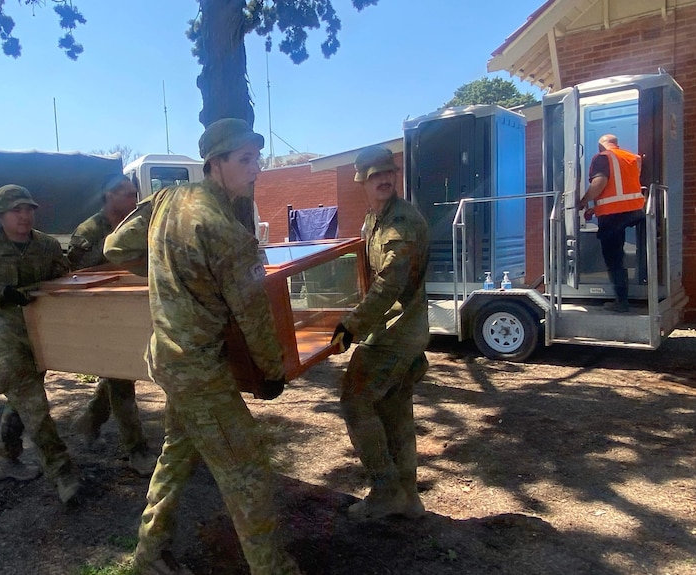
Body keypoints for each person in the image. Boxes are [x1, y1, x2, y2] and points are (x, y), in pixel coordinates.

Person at [118, 118, 301, 575]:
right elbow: (253, 315)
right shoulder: (226, 231)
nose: (256, 168)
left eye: (257, 158)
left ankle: (148, 553)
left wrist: (167, 272)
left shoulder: (166, 199)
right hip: (199, 370)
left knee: (176, 456)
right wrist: (272, 371)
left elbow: (116, 247)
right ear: (215, 163)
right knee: (248, 471)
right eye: (245, 159)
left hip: (167, 357)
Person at [0, 184, 82, 506]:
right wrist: (0, 295)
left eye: (28, 209)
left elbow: (64, 282)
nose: (24, 215)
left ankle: (6, 459)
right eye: (16, 210)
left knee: (21, 399)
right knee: (35, 406)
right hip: (8, 337)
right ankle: (62, 472)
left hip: (42, 334)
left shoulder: (48, 246)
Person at [331, 145, 430, 521]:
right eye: (376, 176)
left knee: (355, 401)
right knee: (393, 410)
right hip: (394, 329)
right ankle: (407, 497)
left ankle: (387, 491)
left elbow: (388, 284)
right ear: (363, 182)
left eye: (389, 173)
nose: (385, 180)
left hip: (395, 333)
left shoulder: (400, 224)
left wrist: (350, 325)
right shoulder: (374, 220)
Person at [67, 174, 157, 477]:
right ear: (109, 195)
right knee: (121, 379)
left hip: (133, 309)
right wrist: (120, 264)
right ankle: (137, 451)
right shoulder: (89, 231)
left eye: (135, 195)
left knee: (124, 372)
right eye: (127, 195)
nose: (133, 201)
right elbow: (75, 272)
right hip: (101, 314)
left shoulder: (135, 225)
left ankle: (91, 419)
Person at [577, 134, 645, 313]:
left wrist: (583, 201)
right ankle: (635, 286)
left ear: (601, 145)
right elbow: (621, 188)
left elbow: (600, 183)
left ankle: (621, 302)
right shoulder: (631, 157)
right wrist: (596, 209)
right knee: (627, 253)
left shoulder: (602, 157)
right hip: (635, 212)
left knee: (613, 258)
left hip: (614, 216)